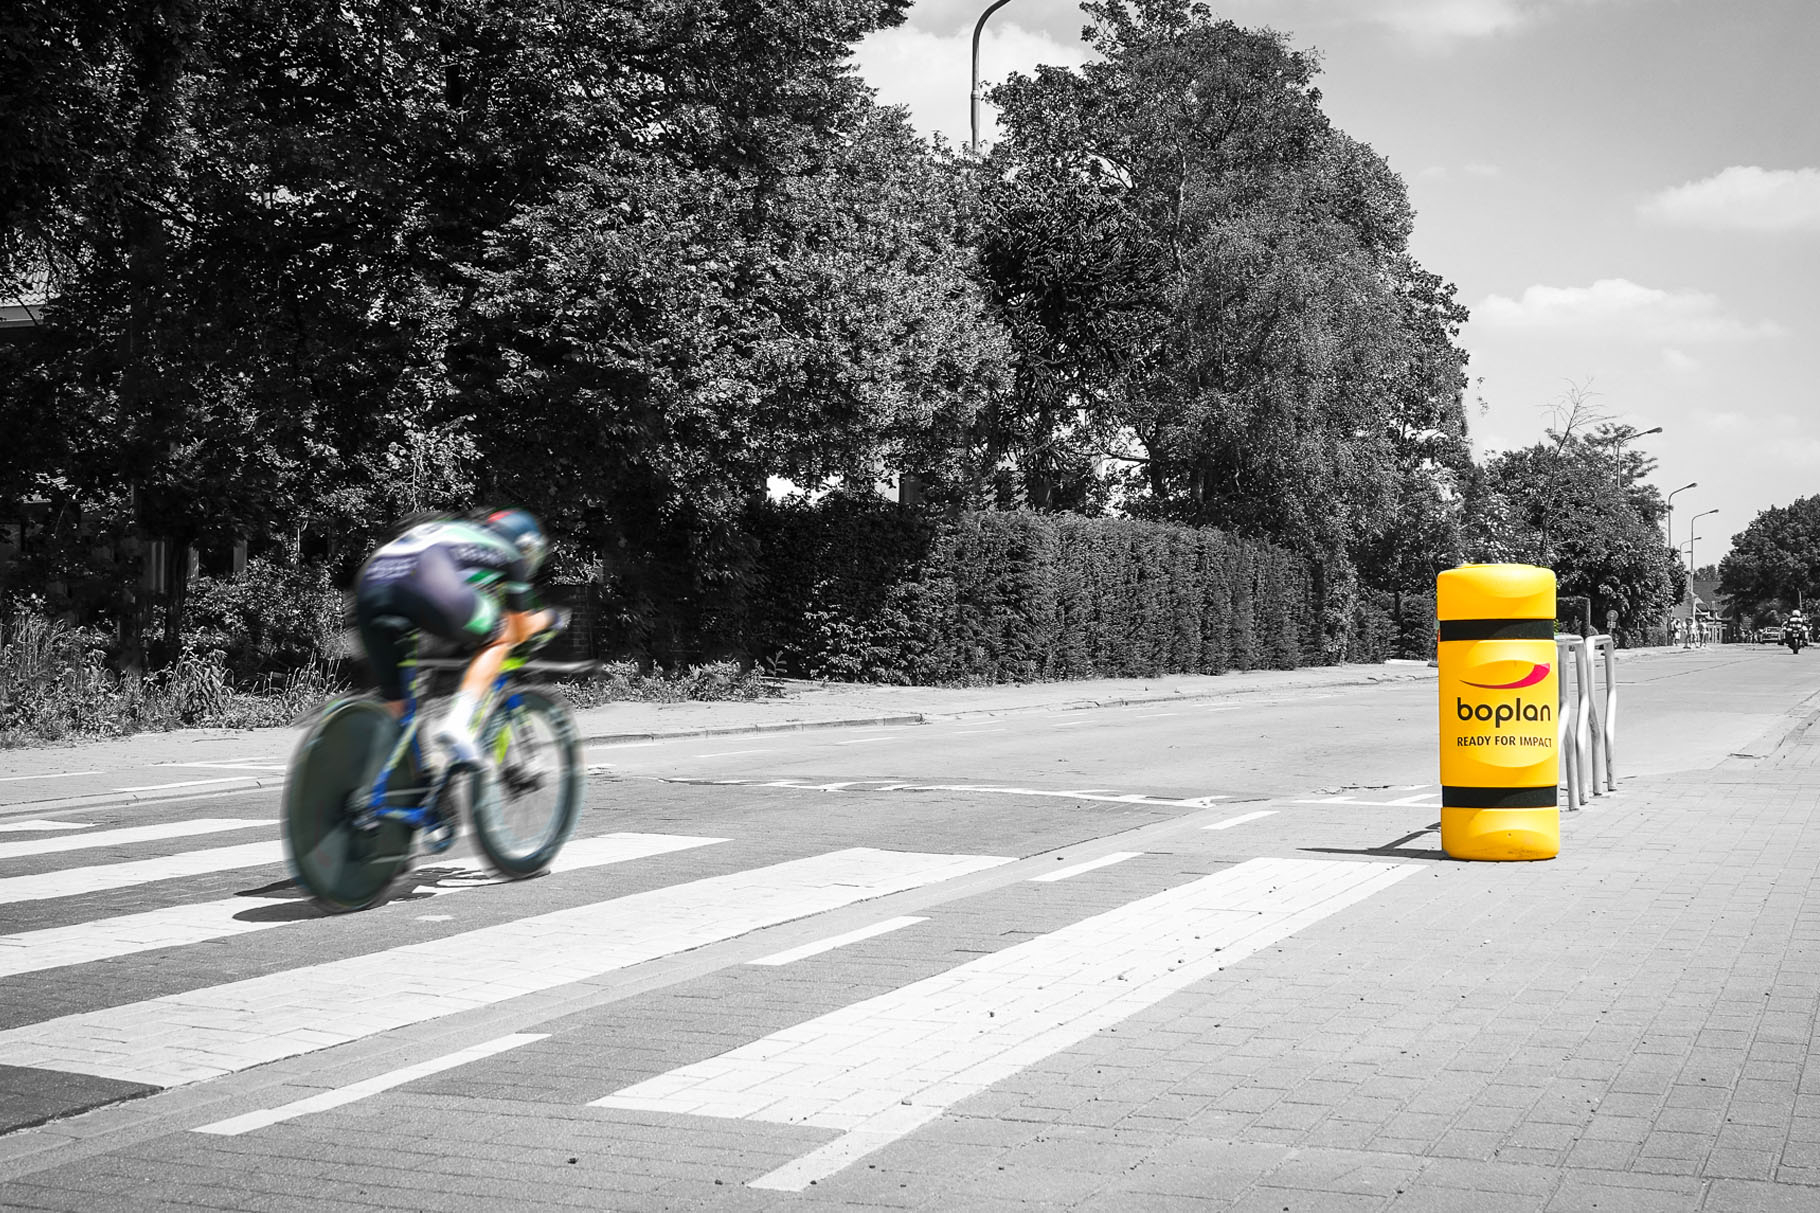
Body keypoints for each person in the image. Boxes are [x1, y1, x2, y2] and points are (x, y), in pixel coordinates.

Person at [353, 508, 557, 764]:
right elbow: (519, 630)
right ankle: (458, 724)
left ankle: (389, 783)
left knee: (397, 705)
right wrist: (551, 618)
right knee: (502, 636)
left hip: (371, 581)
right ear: (526, 547)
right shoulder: (511, 554)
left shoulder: (460, 533)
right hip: (428, 576)